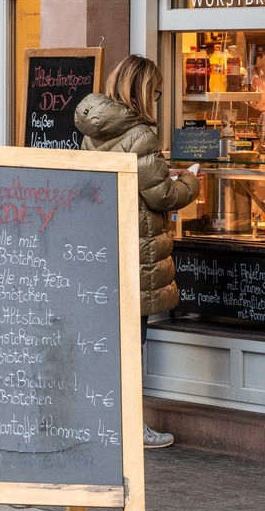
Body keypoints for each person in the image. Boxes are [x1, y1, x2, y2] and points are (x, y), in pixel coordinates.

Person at [75, 54, 198, 450]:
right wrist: (192, 182)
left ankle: (100, 422)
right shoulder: (141, 134)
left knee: (108, 344)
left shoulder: (94, 130)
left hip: (100, 250)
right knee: (131, 345)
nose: (159, 99)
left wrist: (163, 169)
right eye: (157, 92)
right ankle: (131, 429)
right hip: (135, 253)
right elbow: (161, 196)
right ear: (144, 91)